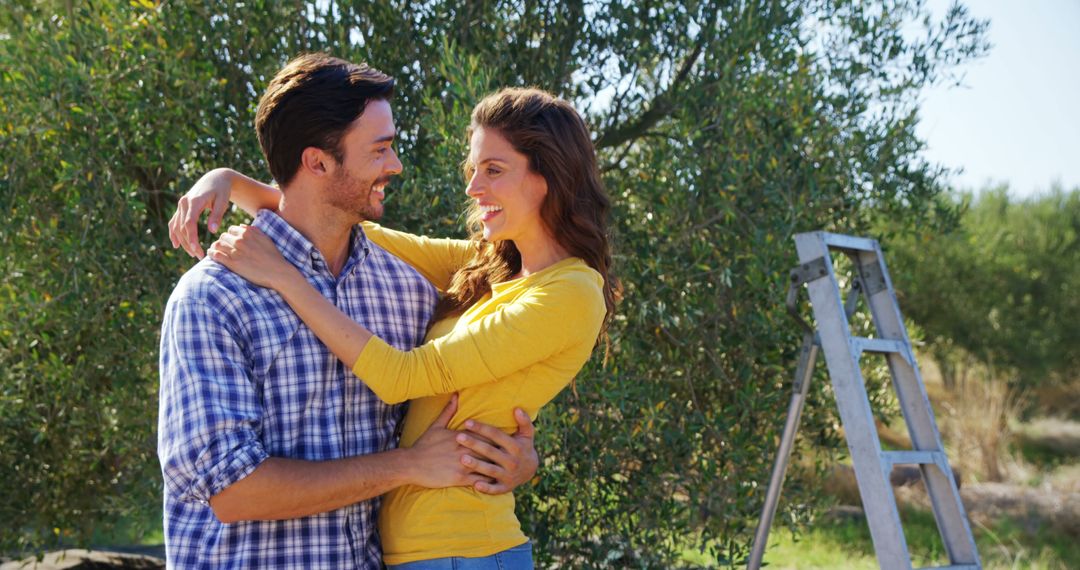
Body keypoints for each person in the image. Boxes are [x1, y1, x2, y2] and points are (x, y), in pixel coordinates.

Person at [171, 87, 616, 569]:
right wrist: (228, 181)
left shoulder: (569, 291)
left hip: (465, 551)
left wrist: (286, 279)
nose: (472, 188)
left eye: (493, 170)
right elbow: (339, 221)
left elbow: (401, 377)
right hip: (421, 554)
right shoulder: (488, 267)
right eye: (474, 170)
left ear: (548, 176)